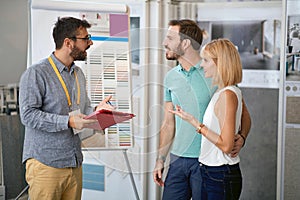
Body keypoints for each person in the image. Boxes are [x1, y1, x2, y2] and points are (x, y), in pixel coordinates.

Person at [152, 19, 251, 200]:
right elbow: (168, 123)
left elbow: (244, 115)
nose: (165, 43)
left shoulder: (216, 73)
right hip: (178, 159)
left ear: (185, 43)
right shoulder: (170, 77)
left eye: (170, 38)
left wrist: (242, 138)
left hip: (206, 162)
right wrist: (160, 159)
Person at [19, 17, 113, 200]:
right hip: (47, 165)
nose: (90, 42)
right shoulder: (37, 73)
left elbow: (83, 111)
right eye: (85, 38)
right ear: (68, 43)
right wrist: (67, 121)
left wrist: (99, 111)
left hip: (74, 164)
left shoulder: (78, 74)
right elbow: (28, 115)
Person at [170, 38, 245, 199]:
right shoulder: (224, 91)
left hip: (220, 173)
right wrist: (191, 119)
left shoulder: (227, 95)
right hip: (211, 171)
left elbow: (226, 145)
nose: (202, 65)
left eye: (206, 60)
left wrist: (197, 125)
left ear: (220, 63)